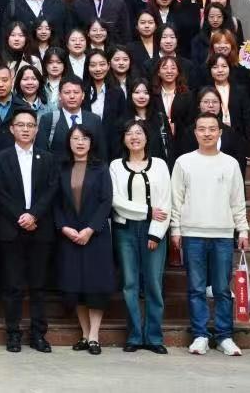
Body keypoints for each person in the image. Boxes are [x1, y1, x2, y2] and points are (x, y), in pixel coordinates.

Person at [171, 112, 250, 356]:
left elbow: (238, 200)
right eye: (202, 129)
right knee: (196, 288)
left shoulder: (231, 163)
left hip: (223, 234)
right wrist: (176, 228)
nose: (207, 133)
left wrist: (243, 229)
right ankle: (200, 335)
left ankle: (225, 336)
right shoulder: (184, 162)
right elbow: (176, 199)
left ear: (220, 132)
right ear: (195, 133)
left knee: (222, 289)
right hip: (192, 233)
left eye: (212, 129)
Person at [0, 108, 59, 353]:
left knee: (39, 286)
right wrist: (21, 216)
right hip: (11, 229)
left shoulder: (47, 158)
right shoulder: (0, 158)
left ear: (37, 130)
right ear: (12, 129)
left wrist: (34, 215)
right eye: (21, 125)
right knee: (13, 286)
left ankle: (39, 335)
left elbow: (51, 190)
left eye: (30, 125)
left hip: (40, 229)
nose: (26, 129)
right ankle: (13, 334)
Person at [110, 119, 171, 354]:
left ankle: (154, 337)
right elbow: (116, 201)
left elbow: (165, 202)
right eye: (129, 133)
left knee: (154, 283)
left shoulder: (160, 165)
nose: (134, 137)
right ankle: (134, 335)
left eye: (138, 132)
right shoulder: (116, 166)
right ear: (123, 139)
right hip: (125, 231)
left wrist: (155, 233)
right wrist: (146, 211)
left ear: (147, 137)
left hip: (154, 230)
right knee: (130, 283)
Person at [54, 124, 114, 355]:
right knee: (76, 286)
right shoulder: (61, 168)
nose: (80, 143)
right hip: (70, 235)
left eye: (85, 138)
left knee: (95, 286)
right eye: (76, 138)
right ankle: (85, 334)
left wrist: (90, 229)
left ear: (91, 142)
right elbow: (56, 203)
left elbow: (106, 201)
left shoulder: (101, 168)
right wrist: (64, 227)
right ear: (68, 142)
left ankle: (94, 336)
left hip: (95, 236)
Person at [35, 77, 110, 163]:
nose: (72, 96)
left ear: (83, 95)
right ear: (59, 96)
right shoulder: (48, 119)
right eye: (67, 92)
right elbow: (41, 152)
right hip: (57, 170)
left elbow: (101, 154)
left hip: (88, 169)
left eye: (76, 92)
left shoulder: (94, 120)